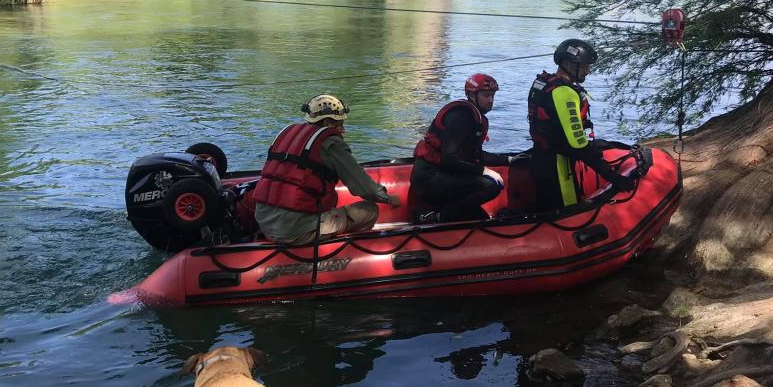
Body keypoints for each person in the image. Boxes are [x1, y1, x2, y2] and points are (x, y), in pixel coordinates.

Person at [254, 94, 400, 244]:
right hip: (294, 230)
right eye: (340, 124)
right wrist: (388, 198)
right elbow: (364, 188)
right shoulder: (330, 143)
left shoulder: (286, 133)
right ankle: (344, 251)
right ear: (328, 123)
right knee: (370, 210)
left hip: (264, 222)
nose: (343, 130)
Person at [527, 39, 636, 213]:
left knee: (548, 210)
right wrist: (613, 177)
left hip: (540, 157)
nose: (588, 70)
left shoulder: (544, 83)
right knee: (566, 215)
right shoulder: (564, 92)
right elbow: (578, 145)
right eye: (584, 66)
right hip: (558, 166)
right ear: (568, 64)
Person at [410, 73, 511, 223]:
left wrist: (509, 159)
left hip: (443, 175)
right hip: (429, 179)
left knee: (479, 218)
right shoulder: (461, 117)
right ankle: (435, 218)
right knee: (491, 186)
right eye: (486, 95)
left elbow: (476, 155)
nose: (491, 100)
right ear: (472, 95)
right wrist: (484, 171)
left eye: (492, 95)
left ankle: (440, 213)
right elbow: (448, 160)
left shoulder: (473, 116)